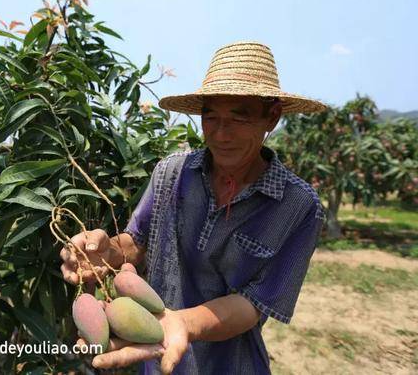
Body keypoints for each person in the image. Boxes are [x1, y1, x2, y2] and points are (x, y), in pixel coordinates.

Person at [60, 41, 328, 374]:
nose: (220, 134)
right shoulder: (171, 173)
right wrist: (106, 252)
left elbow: (253, 304)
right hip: (157, 359)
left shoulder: (298, 207)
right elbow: (136, 242)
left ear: (270, 117)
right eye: (210, 117)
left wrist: (182, 324)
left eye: (238, 119)